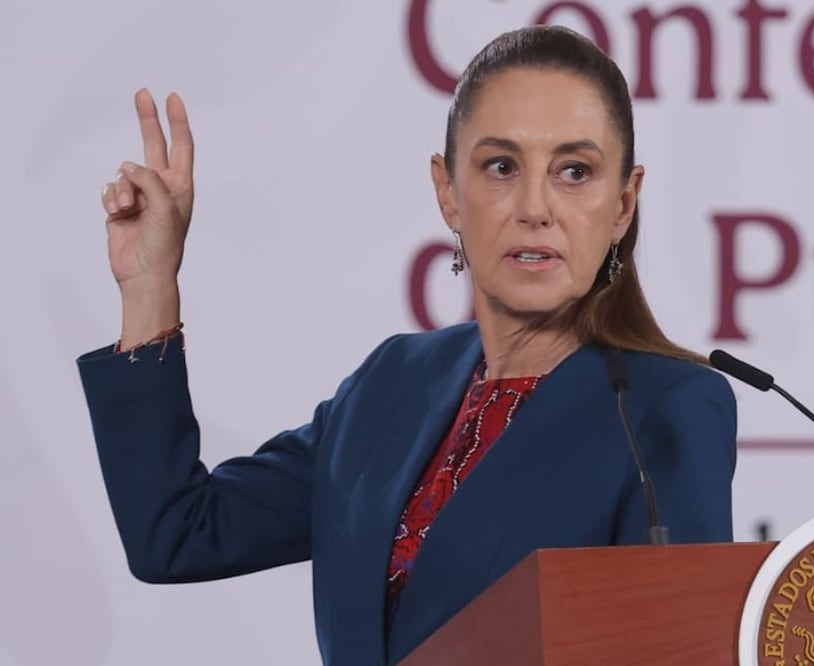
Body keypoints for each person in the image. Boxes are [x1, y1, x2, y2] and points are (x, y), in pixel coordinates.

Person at [78, 25, 737, 666]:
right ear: (448, 192)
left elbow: (677, 651)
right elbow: (178, 536)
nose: (535, 207)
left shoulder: (665, 407)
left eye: (574, 171)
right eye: (501, 166)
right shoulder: (394, 379)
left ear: (622, 205)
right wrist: (149, 284)